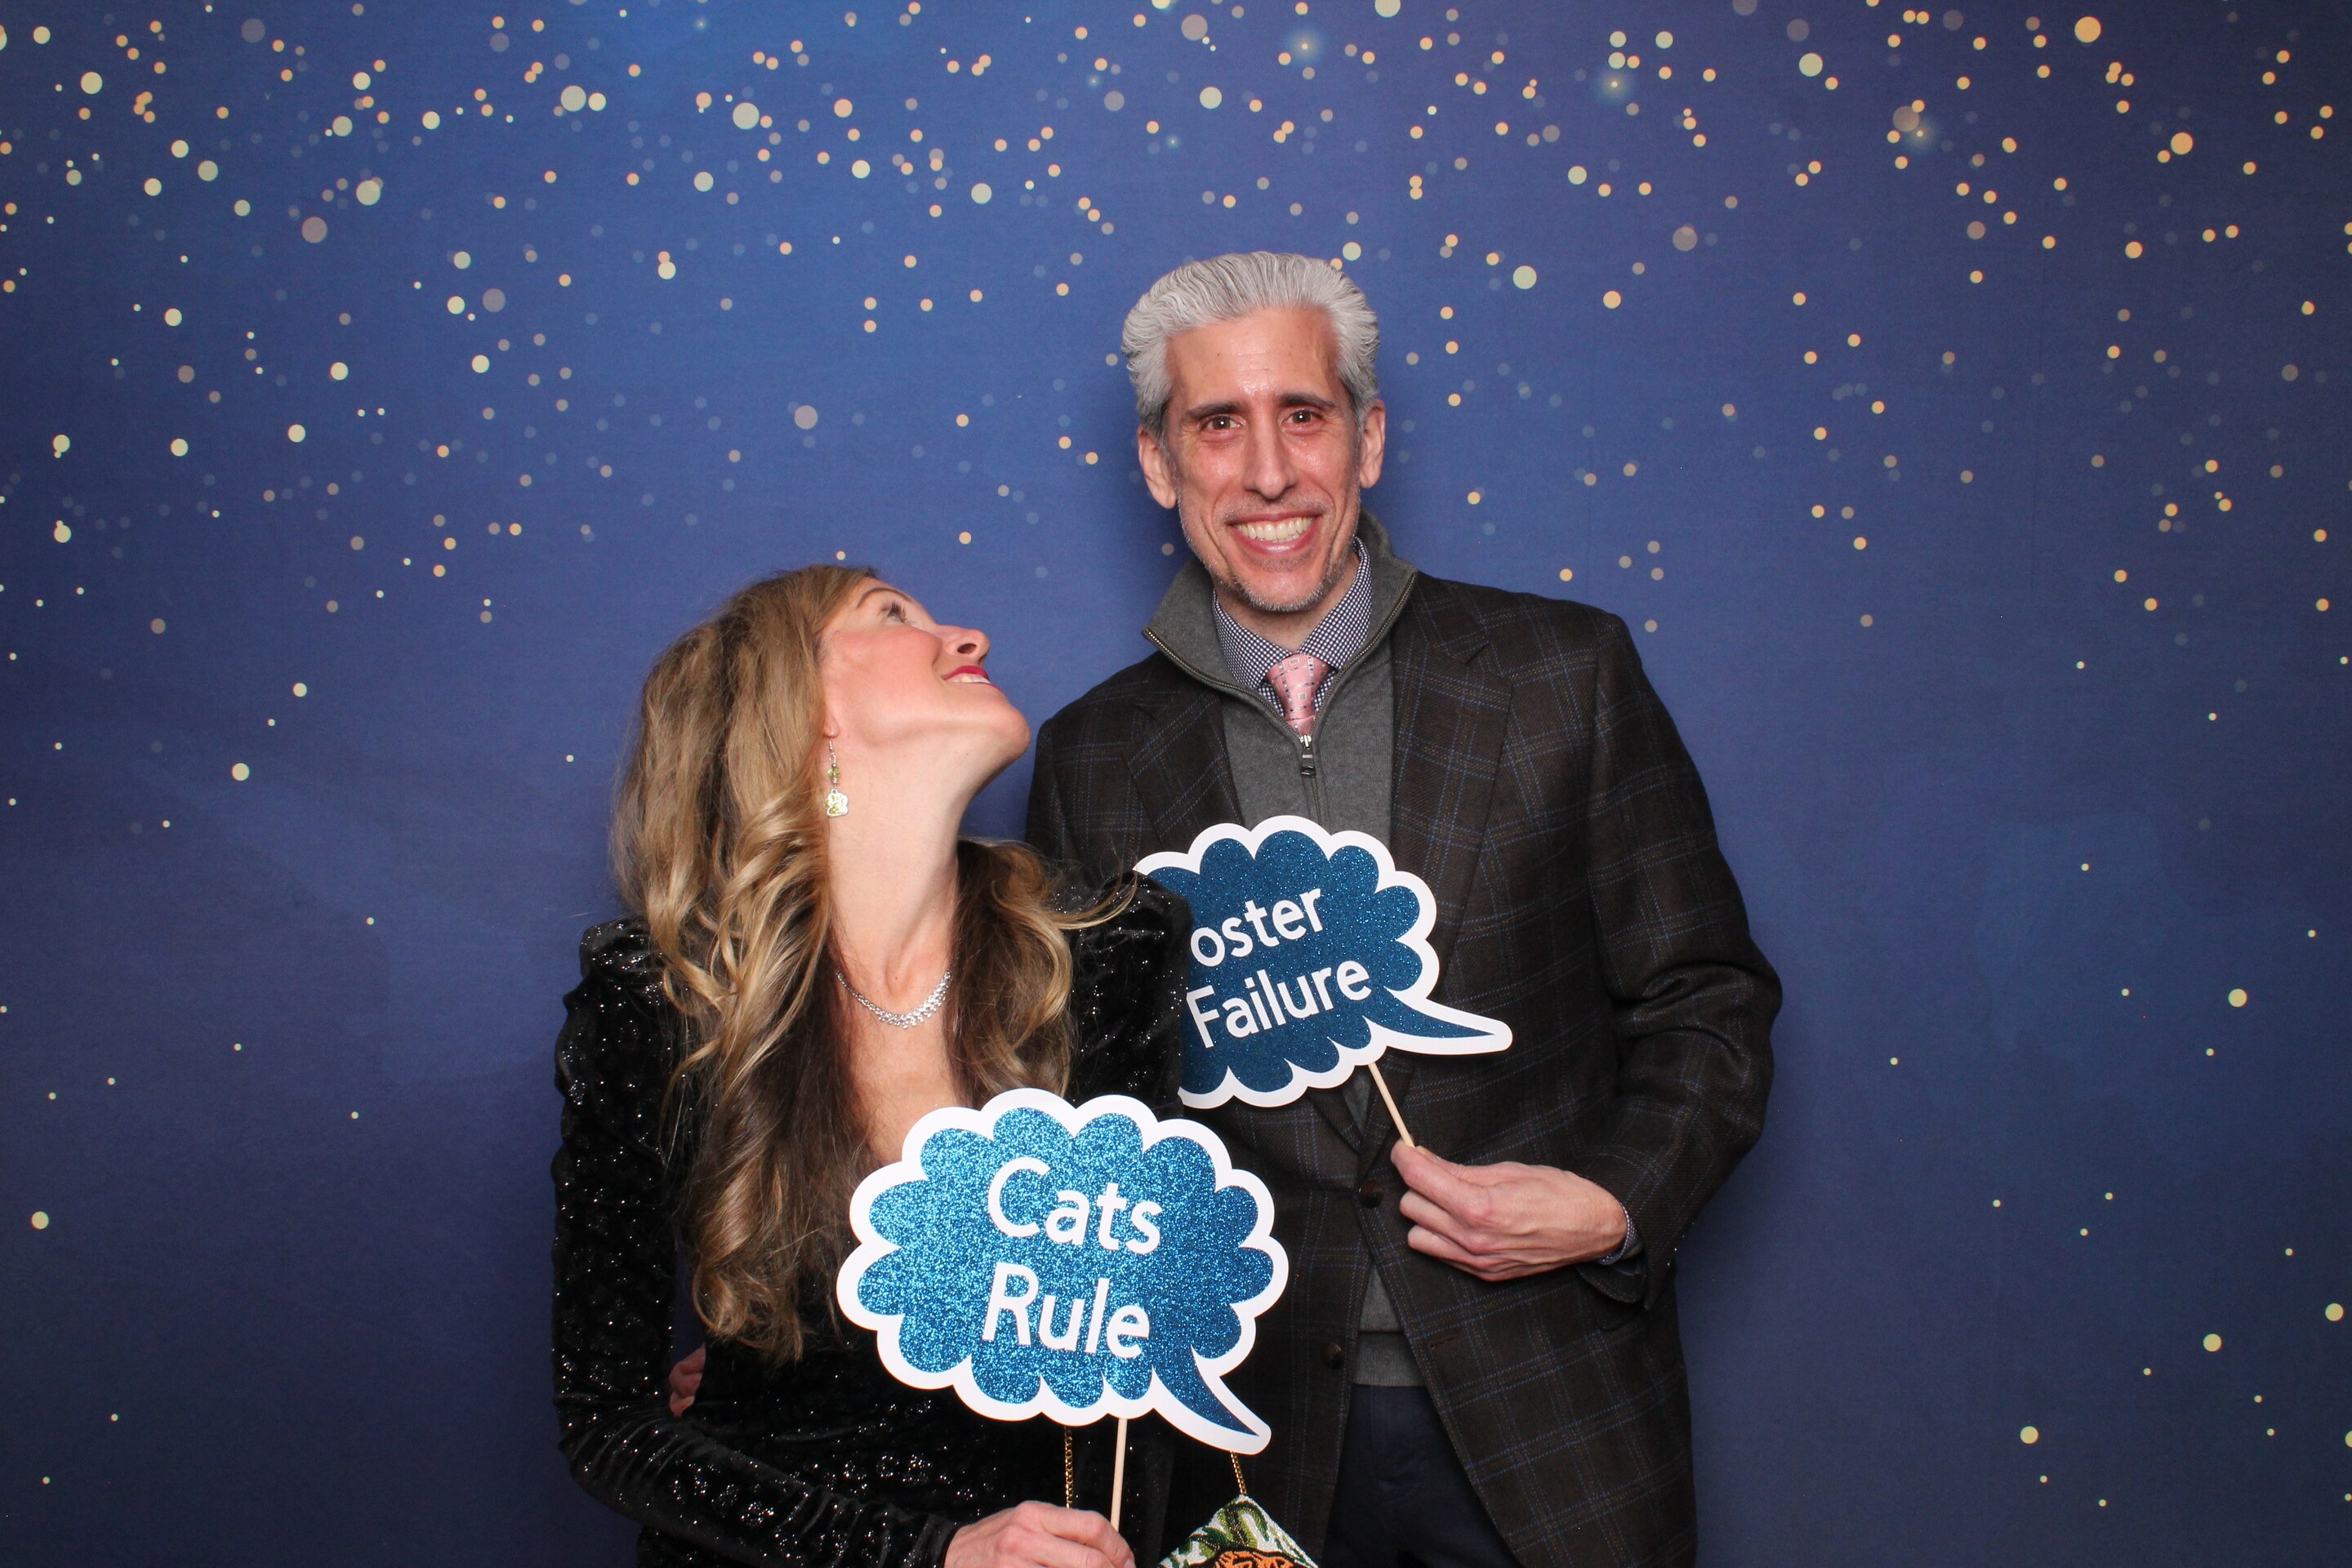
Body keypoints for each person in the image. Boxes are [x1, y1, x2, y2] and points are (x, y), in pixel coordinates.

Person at [1027, 254, 1780, 1568]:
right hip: (1249, 1441)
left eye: (1304, 415)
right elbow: (1082, 1114)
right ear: (1160, 462)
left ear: (1368, 439)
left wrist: (1615, 1202)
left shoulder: (1564, 674)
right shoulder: (1092, 755)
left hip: (1554, 1411)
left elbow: (1707, 1002)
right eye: (1219, 425)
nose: (1270, 473)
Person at [554, 565, 1194, 1568]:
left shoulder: (1102, 954)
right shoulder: (664, 999)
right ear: (798, 707)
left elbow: (1137, 1351)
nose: (969, 637)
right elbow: (608, 1425)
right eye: (892, 615)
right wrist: (932, 1554)